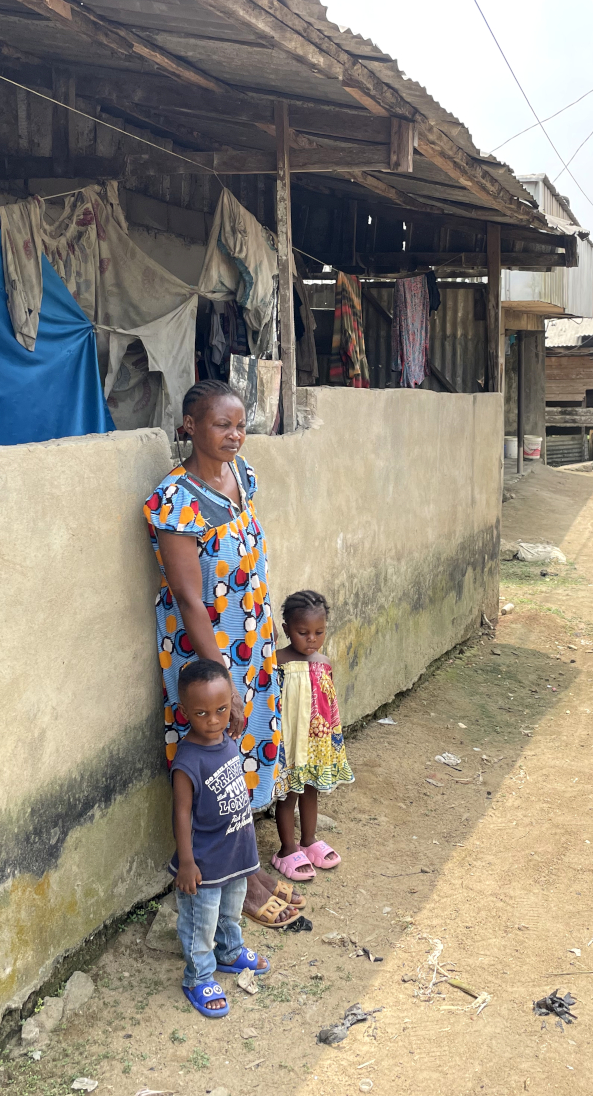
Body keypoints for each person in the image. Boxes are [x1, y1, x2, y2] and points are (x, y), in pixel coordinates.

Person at [144, 380, 297, 928]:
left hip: (250, 643)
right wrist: (223, 681)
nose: (235, 436)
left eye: (240, 425)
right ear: (190, 426)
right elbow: (188, 596)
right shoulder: (175, 499)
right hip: (207, 658)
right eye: (221, 425)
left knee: (247, 751)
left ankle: (246, 863)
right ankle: (225, 873)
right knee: (212, 765)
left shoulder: (242, 477)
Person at [169, 660, 270, 1018]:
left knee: (231, 908)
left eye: (222, 710)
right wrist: (186, 862)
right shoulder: (187, 760)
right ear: (184, 712)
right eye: (201, 713)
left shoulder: (225, 738)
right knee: (201, 920)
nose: (213, 720)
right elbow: (181, 813)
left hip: (236, 852)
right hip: (204, 862)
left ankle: (229, 951)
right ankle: (198, 976)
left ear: (232, 703)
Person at [272, 590, 354, 881]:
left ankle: (308, 840)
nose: (312, 639)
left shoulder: (325, 662)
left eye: (319, 632)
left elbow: (328, 702)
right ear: (286, 630)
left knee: (311, 790)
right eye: (303, 632)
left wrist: (333, 739)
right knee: (288, 793)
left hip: (317, 743)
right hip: (291, 743)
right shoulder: (277, 661)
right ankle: (286, 848)